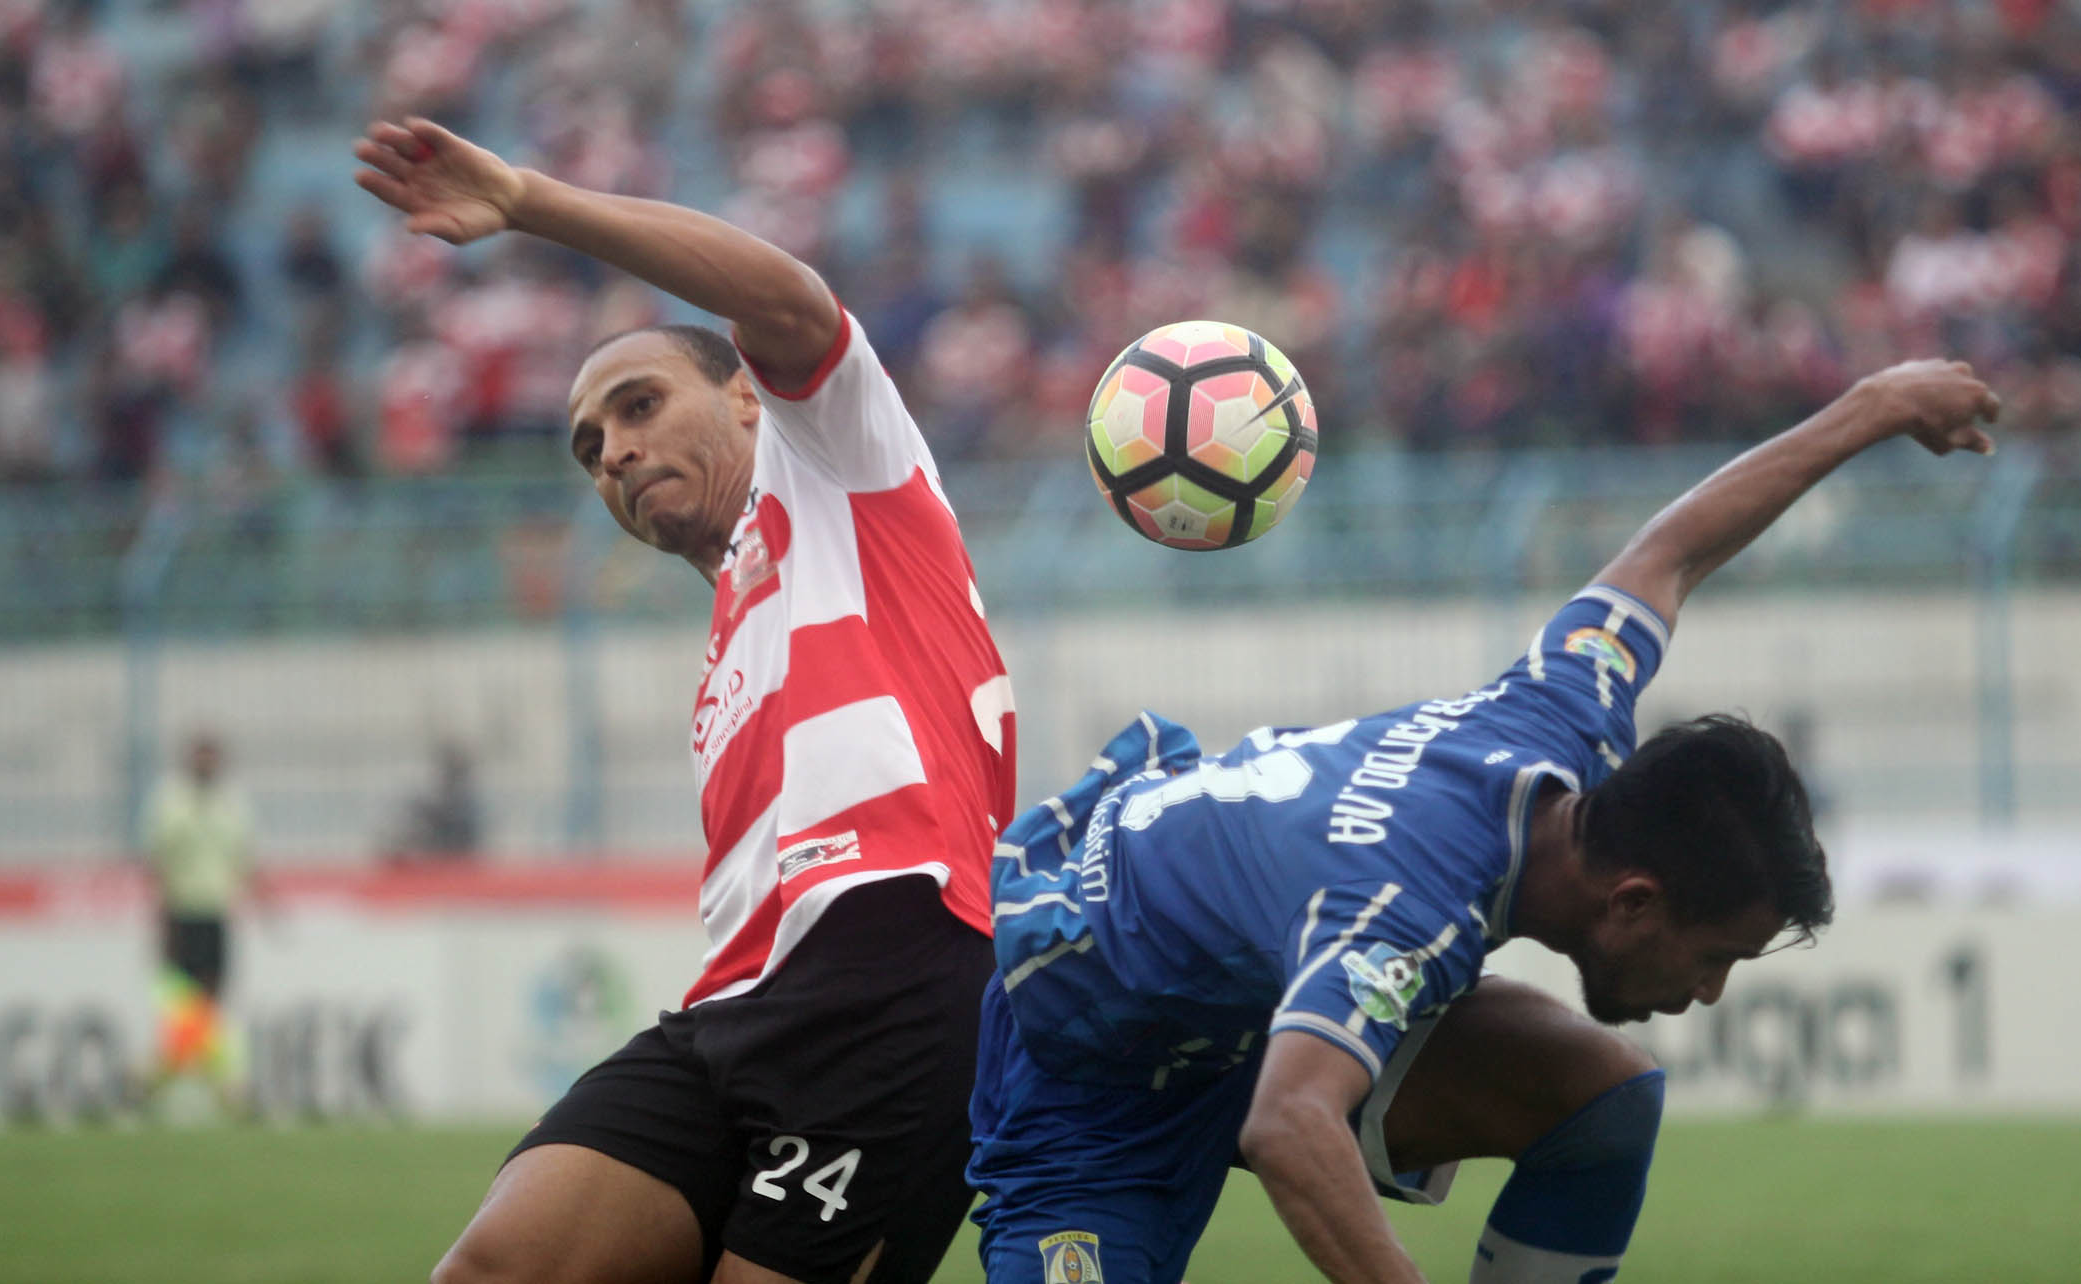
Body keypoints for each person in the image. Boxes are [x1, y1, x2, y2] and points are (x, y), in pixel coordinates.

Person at [975, 360, 2000, 1283]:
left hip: (1251, 996)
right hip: (1090, 1055)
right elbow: (1290, 1126)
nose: (1710, 991)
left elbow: (1674, 553)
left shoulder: (1565, 716)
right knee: (1303, 1102)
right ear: (1635, 899)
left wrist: (1876, 409)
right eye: (1715, 956)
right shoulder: (1405, 905)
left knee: (1603, 1099)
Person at [354, 118, 1017, 1284]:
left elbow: (790, 300)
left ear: (752, 401)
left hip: (894, 972)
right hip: (734, 1006)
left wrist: (527, 200)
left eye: (641, 404)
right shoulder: (730, 634)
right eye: (587, 443)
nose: (609, 449)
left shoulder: (844, 471)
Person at [139, 730, 253, 1114]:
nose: (207, 763)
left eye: (212, 756)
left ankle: (151, 1081)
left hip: (216, 914)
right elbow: (156, 861)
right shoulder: (170, 801)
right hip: (179, 914)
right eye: (201, 756)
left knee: (208, 1007)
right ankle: (224, 1088)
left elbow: (243, 861)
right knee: (184, 1007)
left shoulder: (231, 804)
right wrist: (160, 919)